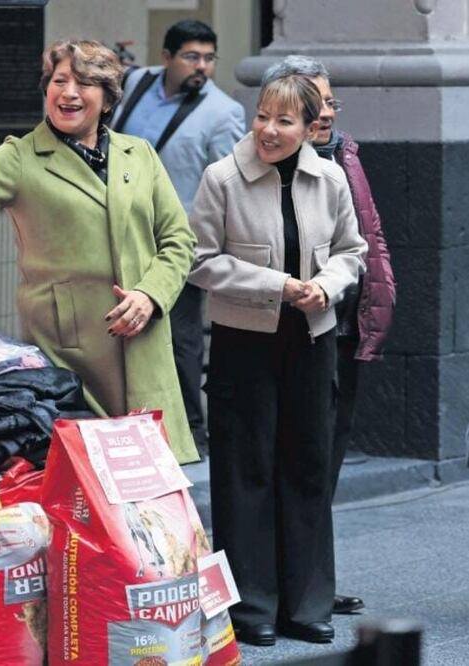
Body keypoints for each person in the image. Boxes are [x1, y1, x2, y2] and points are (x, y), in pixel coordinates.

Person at [0, 38, 199, 463]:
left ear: (108, 96)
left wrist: (151, 295)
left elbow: (178, 240)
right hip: (67, 347)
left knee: (149, 479)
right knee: (82, 480)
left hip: (143, 338)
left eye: (85, 83)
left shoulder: (140, 155)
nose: (70, 93)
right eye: (60, 80)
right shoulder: (22, 157)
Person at [189, 73, 368, 646]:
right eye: (263, 115)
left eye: (284, 121)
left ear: (312, 127)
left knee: (309, 467)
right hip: (245, 341)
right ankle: (251, 607)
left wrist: (327, 285)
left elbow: (352, 251)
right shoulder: (222, 178)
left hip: (312, 339)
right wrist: (278, 285)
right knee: (246, 471)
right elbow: (200, 260)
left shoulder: (331, 177)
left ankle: (307, 602)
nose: (268, 129)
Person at [261, 55, 396, 617]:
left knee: (323, 463)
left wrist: (381, 303)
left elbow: (369, 238)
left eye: (329, 101)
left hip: (345, 327)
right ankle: (273, 583)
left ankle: (311, 584)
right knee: (283, 460)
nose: (324, 112)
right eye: (312, 102)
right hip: (291, 329)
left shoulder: (345, 153)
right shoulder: (272, 165)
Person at [112, 19, 246, 456]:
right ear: (166, 57)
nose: (202, 67)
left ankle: (192, 435)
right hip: (119, 236)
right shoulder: (135, 82)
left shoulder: (222, 111)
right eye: (191, 56)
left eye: (209, 58)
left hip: (178, 245)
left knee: (181, 340)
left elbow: (228, 184)